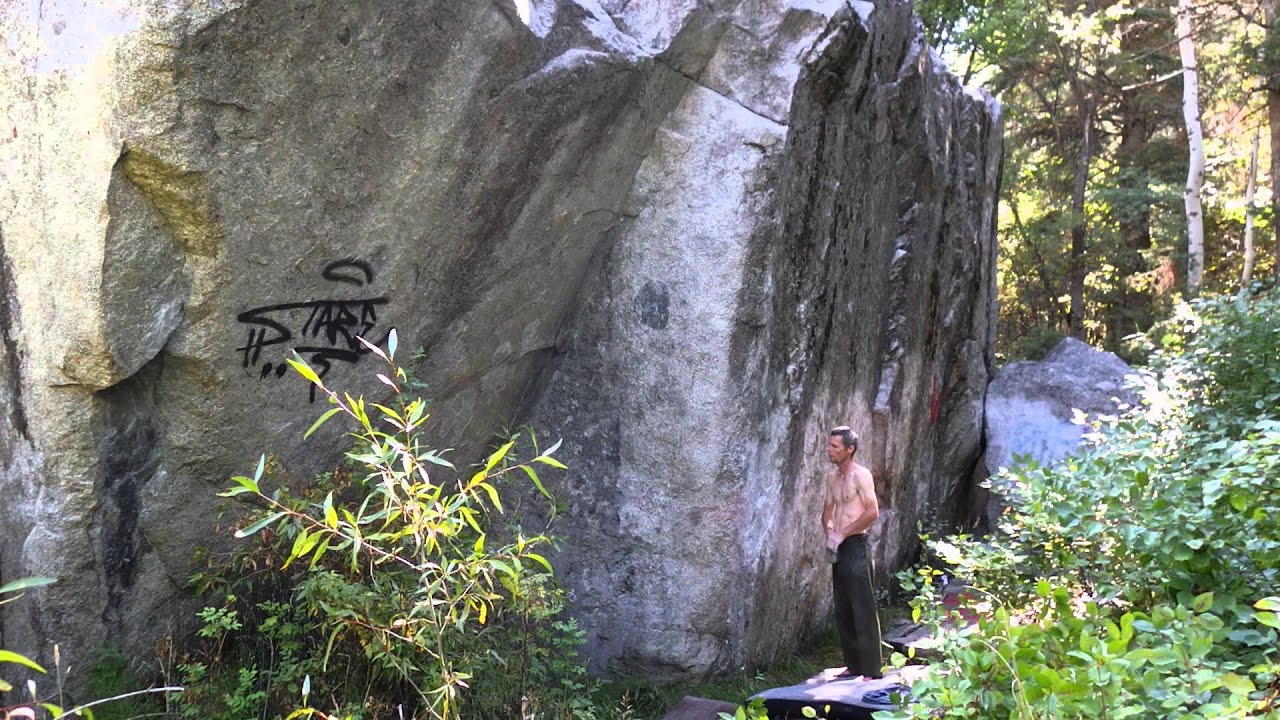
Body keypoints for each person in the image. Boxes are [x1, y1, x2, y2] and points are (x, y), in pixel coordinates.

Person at [821, 425, 883, 679]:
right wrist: (829, 533)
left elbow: (872, 512)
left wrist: (843, 533)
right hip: (840, 547)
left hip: (856, 544)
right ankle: (853, 665)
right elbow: (827, 511)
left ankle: (871, 669)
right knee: (843, 606)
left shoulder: (861, 475)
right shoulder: (832, 478)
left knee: (863, 607)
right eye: (829, 445)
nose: (829, 450)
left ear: (850, 449)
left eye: (835, 446)